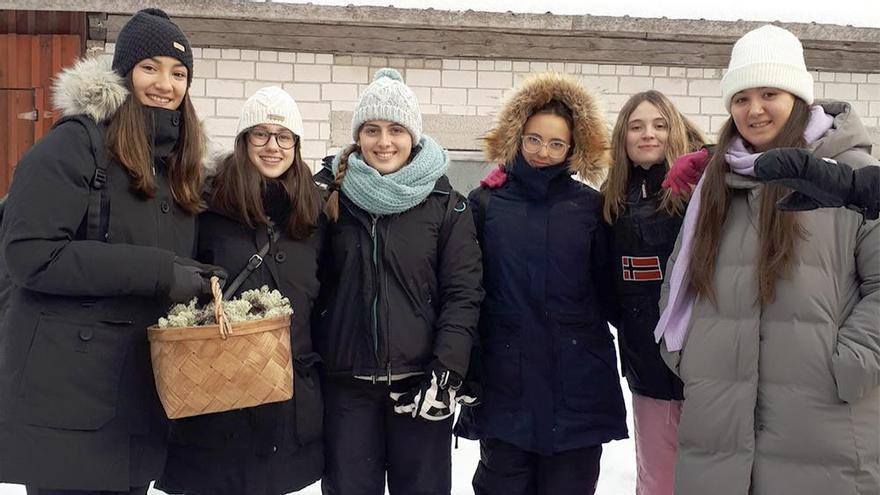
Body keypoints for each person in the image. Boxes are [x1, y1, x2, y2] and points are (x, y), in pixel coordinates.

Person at [0, 9, 222, 494]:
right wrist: (161, 272)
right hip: (70, 406)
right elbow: (30, 255)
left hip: (138, 404)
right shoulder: (75, 146)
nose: (165, 83)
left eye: (179, 73)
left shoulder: (178, 168)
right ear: (124, 72)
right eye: (150, 67)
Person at [657, 25, 879, 495]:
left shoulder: (851, 175)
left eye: (769, 93)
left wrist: (853, 362)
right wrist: (687, 352)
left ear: (797, 96)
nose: (754, 109)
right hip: (719, 413)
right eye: (741, 98)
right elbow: (680, 275)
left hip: (824, 417)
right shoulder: (714, 181)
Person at [315, 68, 483, 495]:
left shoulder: (447, 206)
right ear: (358, 136)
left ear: (414, 136)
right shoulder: (330, 197)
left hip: (420, 387)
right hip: (346, 388)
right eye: (372, 129)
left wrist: (446, 369)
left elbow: (463, 293)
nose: (383, 142)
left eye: (395, 129)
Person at [462, 72, 627, 495]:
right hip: (505, 382)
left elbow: (613, 293)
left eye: (556, 143)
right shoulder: (485, 203)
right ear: (517, 136)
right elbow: (467, 292)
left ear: (573, 147)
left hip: (577, 382)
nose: (543, 152)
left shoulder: (590, 207)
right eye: (534, 139)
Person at [155, 86, 325, 494]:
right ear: (243, 140)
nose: (272, 146)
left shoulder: (316, 213)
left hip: (288, 405)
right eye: (260, 134)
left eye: (284, 136)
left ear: (297, 145)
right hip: (215, 399)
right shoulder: (207, 203)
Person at [601, 90, 707, 495]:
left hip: (706, 368)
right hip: (648, 368)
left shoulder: (706, 188)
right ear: (622, 138)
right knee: (658, 479)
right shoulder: (612, 200)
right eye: (637, 126)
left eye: (660, 125)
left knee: (711, 476)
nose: (648, 134)